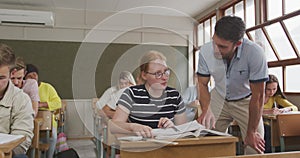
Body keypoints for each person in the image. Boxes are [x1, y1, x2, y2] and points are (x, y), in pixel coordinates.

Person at [196, 16, 268, 154]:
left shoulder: (255, 53)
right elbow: (202, 84)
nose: (216, 50)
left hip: (246, 100)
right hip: (218, 97)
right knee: (206, 140)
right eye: (214, 43)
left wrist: (251, 132)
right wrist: (206, 110)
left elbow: (258, 96)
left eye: (222, 47)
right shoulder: (205, 52)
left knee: (255, 146)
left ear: (238, 44)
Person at [111, 50, 187, 137]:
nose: (164, 77)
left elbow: (183, 129)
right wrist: (133, 127)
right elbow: (114, 126)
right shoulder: (131, 93)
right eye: (158, 73)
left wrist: (173, 127)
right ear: (144, 75)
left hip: (169, 147)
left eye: (166, 72)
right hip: (139, 147)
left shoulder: (175, 96)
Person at [0, 43, 34, 158]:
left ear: (12, 73)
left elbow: (22, 142)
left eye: (1, 78)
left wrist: (5, 152)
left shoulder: (22, 100)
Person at [24, 64, 62, 158]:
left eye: (35, 74)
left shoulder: (47, 87)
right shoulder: (24, 88)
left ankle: (50, 156)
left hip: (48, 121)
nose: (33, 77)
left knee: (53, 136)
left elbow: (58, 103)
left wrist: (41, 104)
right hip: (30, 120)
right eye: (30, 75)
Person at [263, 74, 298, 153]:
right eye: (268, 89)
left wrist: (284, 110)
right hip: (258, 123)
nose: (271, 92)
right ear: (263, 87)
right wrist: (267, 111)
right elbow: (249, 110)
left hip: (270, 123)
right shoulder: (256, 96)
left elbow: (294, 107)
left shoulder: (275, 97)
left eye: (274, 89)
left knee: (277, 129)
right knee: (268, 130)